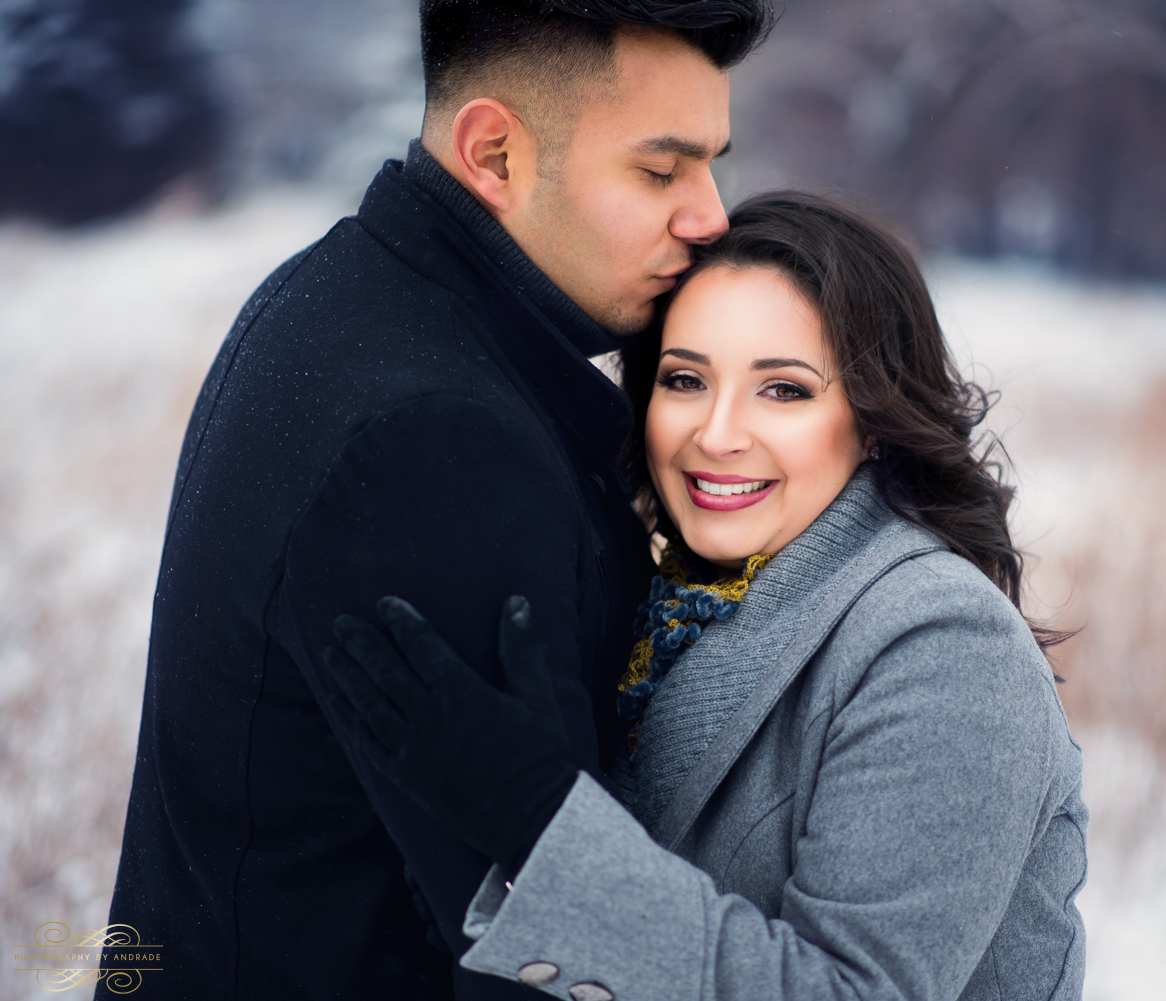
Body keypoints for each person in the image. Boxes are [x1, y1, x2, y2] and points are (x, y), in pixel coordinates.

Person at [102, 2, 774, 998]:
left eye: (712, 162)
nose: (710, 215)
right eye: (660, 169)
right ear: (494, 152)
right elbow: (534, 961)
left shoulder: (334, 294)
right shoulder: (440, 437)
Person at [324, 192, 1089, 1001]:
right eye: (685, 379)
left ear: (872, 421)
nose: (717, 433)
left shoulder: (940, 640)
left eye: (784, 390)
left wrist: (540, 819)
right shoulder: (667, 612)